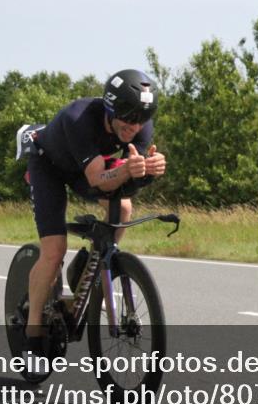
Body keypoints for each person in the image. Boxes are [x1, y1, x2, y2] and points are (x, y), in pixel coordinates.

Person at [21, 69, 167, 370]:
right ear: (111, 108)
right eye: (127, 117)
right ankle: (33, 332)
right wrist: (127, 170)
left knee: (124, 209)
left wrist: (147, 171)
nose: (134, 126)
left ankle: (94, 263)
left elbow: (128, 180)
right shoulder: (80, 117)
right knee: (53, 252)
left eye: (140, 119)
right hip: (49, 165)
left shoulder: (141, 126)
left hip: (87, 169)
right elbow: (99, 178)